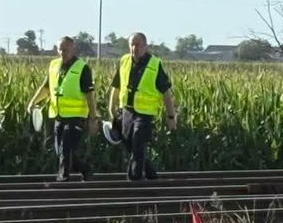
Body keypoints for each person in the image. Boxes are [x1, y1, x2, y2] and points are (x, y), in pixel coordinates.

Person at [26, 36, 99, 181]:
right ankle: (85, 169)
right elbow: (46, 88)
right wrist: (33, 102)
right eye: (60, 49)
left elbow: (89, 96)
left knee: (65, 148)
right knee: (60, 151)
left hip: (76, 117)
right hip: (59, 115)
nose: (62, 52)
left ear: (73, 49)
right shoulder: (54, 65)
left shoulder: (82, 68)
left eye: (65, 49)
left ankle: (63, 179)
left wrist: (92, 118)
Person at [108, 32, 178, 181]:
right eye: (132, 45)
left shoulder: (154, 64)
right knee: (130, 145)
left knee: (138, 142)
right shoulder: (124, 61)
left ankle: (134, 181)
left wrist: (171, 116)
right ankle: (152, 176)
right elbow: (116, 86)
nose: (135, 48)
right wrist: (111, 108)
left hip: (144, 113)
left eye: (138, 45)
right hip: (126, 110)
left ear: (145, 46)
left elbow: (166, 93)